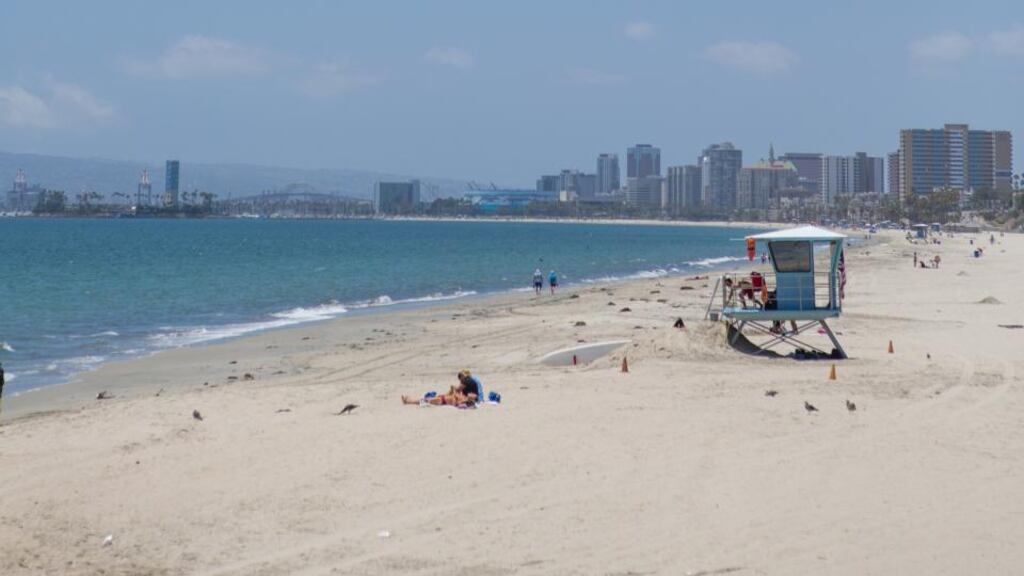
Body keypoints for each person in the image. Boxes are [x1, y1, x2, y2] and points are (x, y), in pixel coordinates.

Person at [401, 370, 481, 407]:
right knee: (431, 399)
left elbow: (458, 394)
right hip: (445, 399)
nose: (460, 381)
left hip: (444, 400)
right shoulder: (468, 394)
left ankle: (409, 401)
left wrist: (454, 391)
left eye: (460, 379)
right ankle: (410, 401)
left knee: (429, 400)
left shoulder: (465, 394)